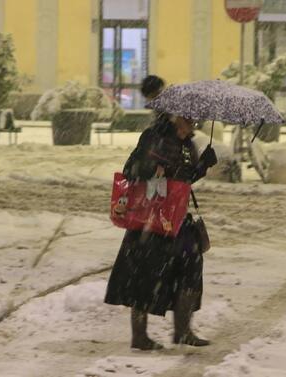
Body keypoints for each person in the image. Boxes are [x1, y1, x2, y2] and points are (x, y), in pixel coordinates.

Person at [104, 112, 218, 350]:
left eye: (194, 123)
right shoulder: (153, 137)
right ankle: (140, 336)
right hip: (151, 217)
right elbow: (131, 170)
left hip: (176, 217)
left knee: (191, 266)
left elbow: (184, 181)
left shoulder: (187, 145)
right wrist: (154, 167)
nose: (190, 127)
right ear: (174, 117)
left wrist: (203, 165)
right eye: (187, 121)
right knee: (145, 276)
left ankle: (183, 331)